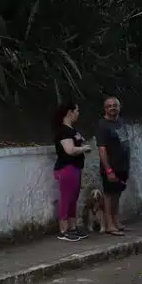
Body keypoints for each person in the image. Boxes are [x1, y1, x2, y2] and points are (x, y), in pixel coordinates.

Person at [53, 103, 90, 242]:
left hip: (75, 167)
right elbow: (69, 150)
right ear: (70, 112)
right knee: (66, 198)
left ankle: (73, 227)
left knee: (73, 198)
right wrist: (84, 148)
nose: (78, 113)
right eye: (77, 110)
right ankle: (63, 230)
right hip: (66, 168)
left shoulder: (72, 130)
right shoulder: (63, 131)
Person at [97, 96, 130, 236]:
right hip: (111, 167)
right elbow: (102, 149)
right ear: (105, 109)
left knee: (118, 194)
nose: (112, 108)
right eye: (109, 106)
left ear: (119, 107)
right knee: (109, 195)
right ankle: (109, 224)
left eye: (115, 105)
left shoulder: (121, 122)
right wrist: (108, 169)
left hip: (123, 166)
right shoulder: (103, 125)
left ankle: (116, 221)